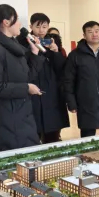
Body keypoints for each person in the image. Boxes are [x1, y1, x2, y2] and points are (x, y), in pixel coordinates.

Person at [0, 4, 44, 154]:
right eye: (17, 20)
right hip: (4, 120)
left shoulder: (14, 48)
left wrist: (35, 54)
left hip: (21, 116)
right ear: (6, 22)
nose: (20, 25)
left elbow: (27, 77)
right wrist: (26, 88)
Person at [17, 13, 69, 144]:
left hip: (52, 93)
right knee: (32, 136)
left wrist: (55, 51)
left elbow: (62, 69)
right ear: (31, 26)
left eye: (44, 27)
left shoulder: (53, 42)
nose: (41, 30)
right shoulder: (22, 42)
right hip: (32, 91)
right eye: (38, 26)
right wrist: (33, 50)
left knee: (53, 137)